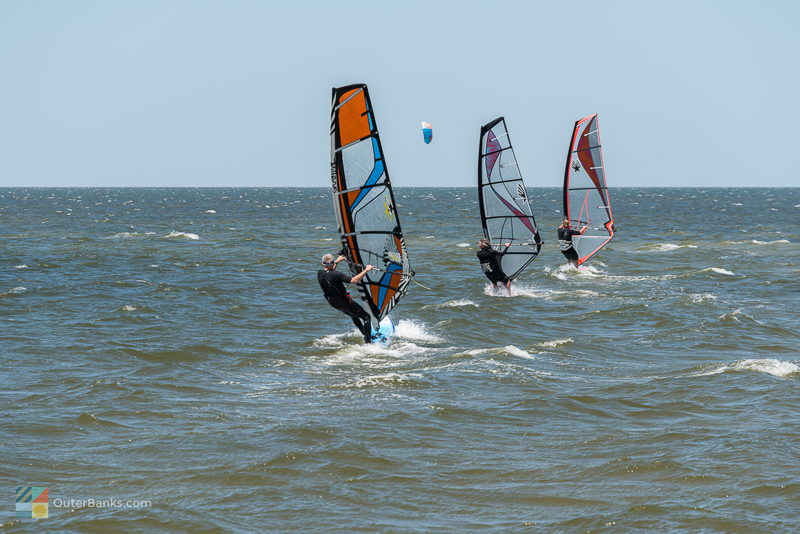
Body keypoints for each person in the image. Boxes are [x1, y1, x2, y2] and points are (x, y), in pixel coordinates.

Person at [317, 254, 374, 343]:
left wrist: (336, 262)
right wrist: (366, 270)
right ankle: (368, 343)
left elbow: (330, 272)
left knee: (354, 315)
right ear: (332, 264)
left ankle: (365, 334)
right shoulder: (336, 274)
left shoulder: (320, 273)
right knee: (367, 317)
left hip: (333, 303)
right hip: (344, 302)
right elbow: (353, 280)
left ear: (322, 264)